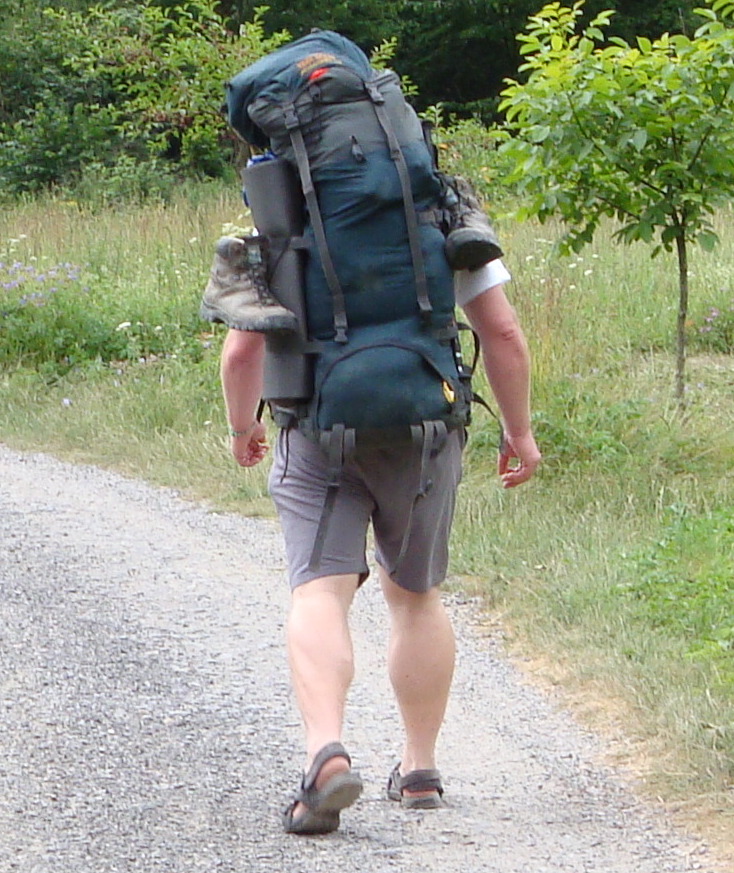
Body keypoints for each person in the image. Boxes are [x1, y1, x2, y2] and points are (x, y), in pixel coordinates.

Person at [222, 272, 538, 833]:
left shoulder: (277, 224)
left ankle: (326, 754)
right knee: (416, 596)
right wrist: (519, 431)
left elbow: (243, 351)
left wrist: (242, 426)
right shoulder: (443, 224)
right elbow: (503, 332)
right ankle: (419, 772)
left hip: (316, 430)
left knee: (320, 592)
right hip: (425, 431)